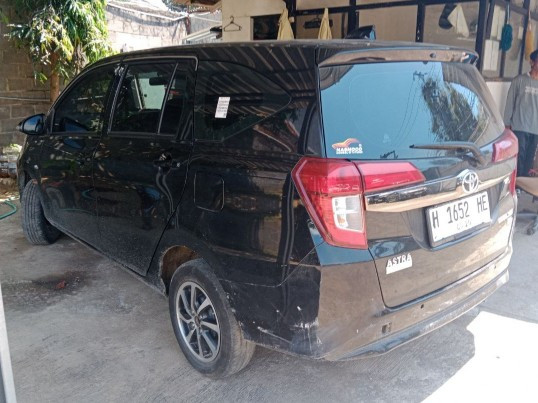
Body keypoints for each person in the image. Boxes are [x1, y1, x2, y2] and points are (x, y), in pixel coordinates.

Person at [504, 49, 538, 176]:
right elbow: (510, 102)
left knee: (529, 160)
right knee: (519, 157)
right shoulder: (519, 80)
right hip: (519, 126)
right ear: (532, 62)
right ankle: (516, 182)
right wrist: (507, 124)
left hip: (535, 128)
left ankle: (523, 182)